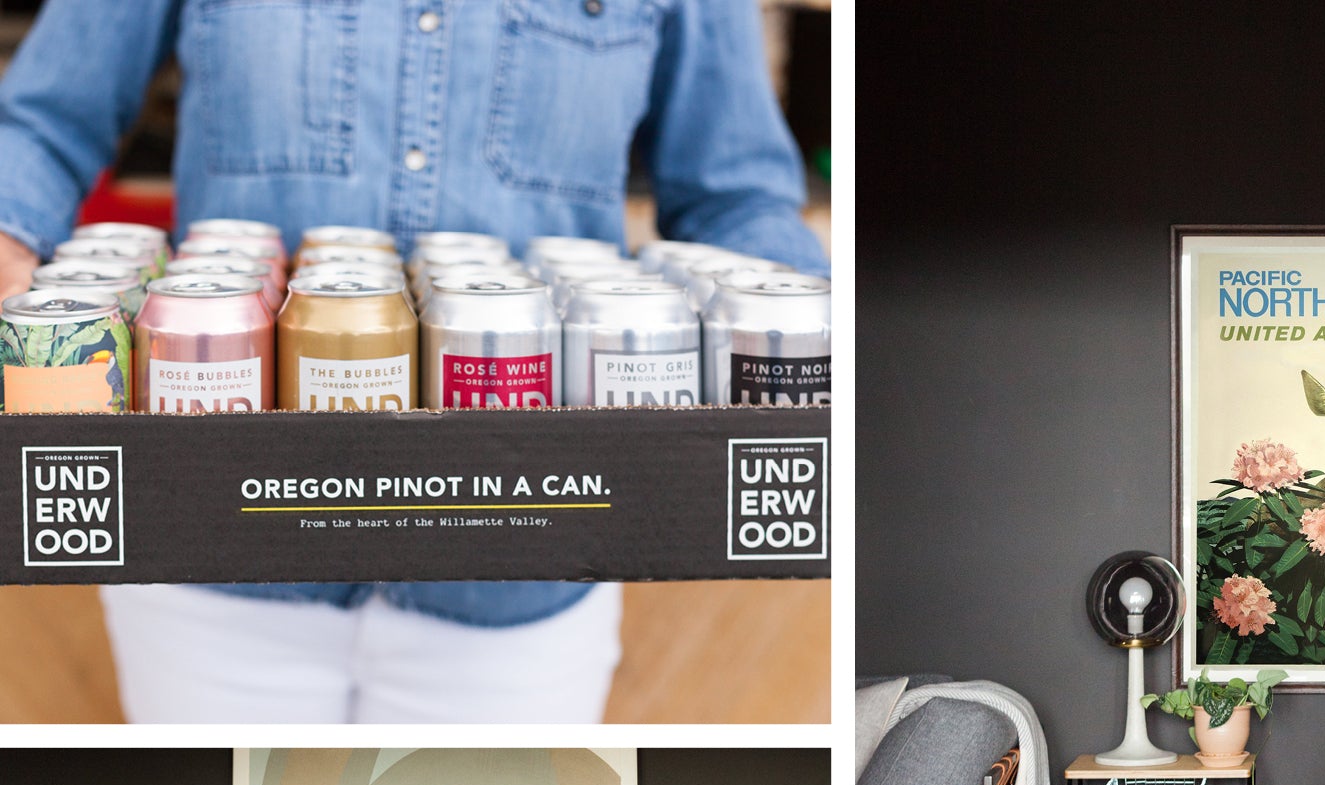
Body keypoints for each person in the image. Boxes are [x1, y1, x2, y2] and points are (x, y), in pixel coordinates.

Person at [0, 0, 827, 723]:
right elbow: (42, 120)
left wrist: (808, 312)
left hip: (523, 574)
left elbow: (733, 193)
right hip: (218, 573)